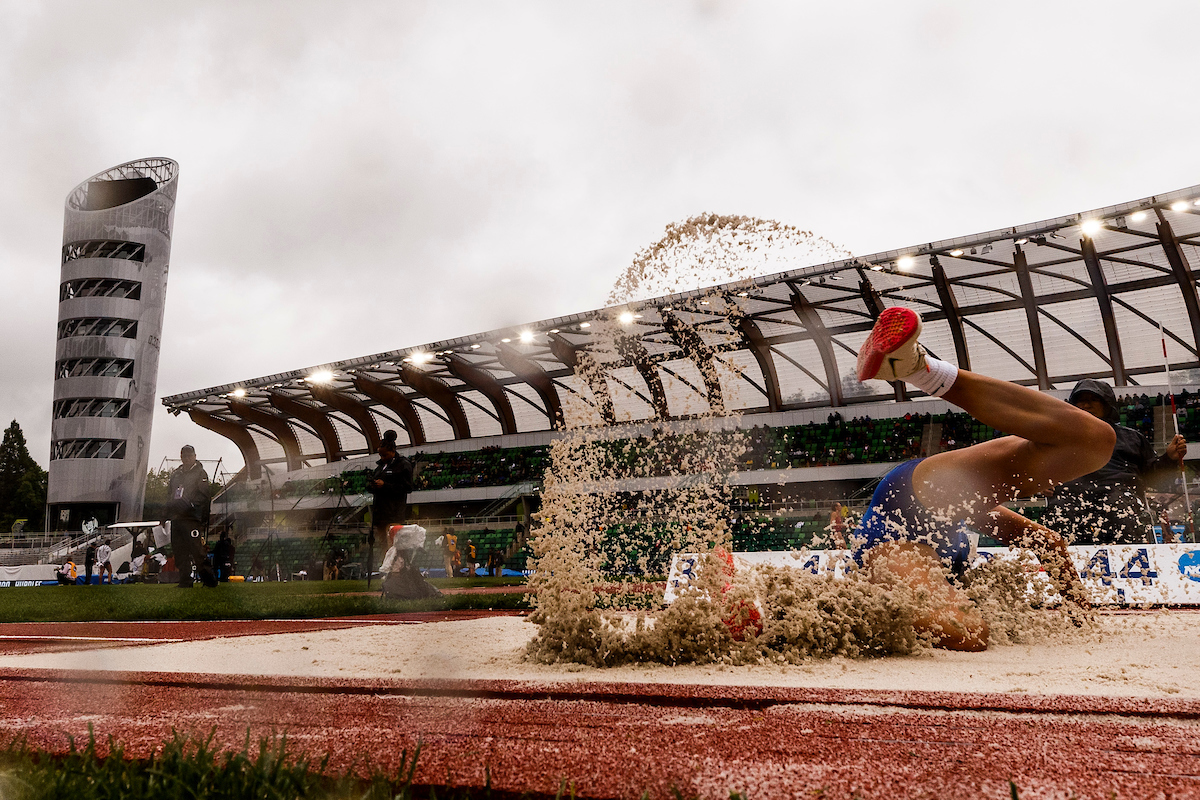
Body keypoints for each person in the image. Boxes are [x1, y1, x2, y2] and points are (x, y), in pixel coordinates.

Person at [851, 307, 1114, 652]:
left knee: (1093, 442)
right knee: (968, 633)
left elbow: (1046, 542)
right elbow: (1045, 543)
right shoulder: (921, 538)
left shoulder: (977, 509)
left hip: (924, 488)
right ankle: (919, 369)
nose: (1050, 481)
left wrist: (1083, 618)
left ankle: (918, 368)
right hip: (895, 533)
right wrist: (1080, 612)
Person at [1043, 379, 1187, 545]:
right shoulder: (1058, 439)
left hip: (1119, 497)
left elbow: (1153, 477)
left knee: (1117, 503)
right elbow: (1040, 470)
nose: (1086, 405)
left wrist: (1169, 458)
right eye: (1081, 400)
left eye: (1092, 399)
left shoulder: (1133, 437)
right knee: (1061, 508)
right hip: (1071, 498)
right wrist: (1040, 483)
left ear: (1107, 404)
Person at [366, 430, 414, 581]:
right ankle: (387, 572)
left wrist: (385, 485)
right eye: (380, 455)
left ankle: (397, 573)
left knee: (393, 544)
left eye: (385, 455)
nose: (382, 458)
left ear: (393, 451)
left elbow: (407, 488)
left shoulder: (403, 465)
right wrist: (372, 485)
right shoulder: (380, 467)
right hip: (380, 512)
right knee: (382, 545)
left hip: (394, 512)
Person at [167, 444, 210, 588]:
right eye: (184, 456)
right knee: (179, 551)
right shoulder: (176, 474)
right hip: (176, 517)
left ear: (194, 456)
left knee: (197, 550)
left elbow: (204, 495)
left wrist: (191, 505)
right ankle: (185, 580)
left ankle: (209, 580)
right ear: (181, 457)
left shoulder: (200, 473)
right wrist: (165, 515)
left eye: (189, 456)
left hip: (191, 518)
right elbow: (170, 495)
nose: (186, 458)